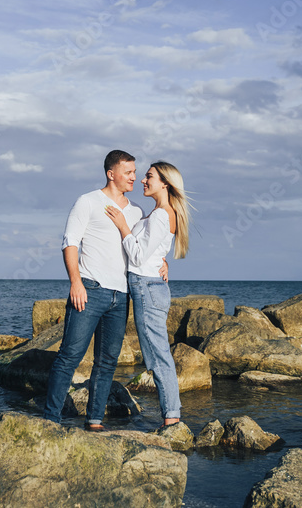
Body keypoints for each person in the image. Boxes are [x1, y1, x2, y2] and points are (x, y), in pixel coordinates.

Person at [43, 149, 144, 431]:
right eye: (129, 172)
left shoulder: (136, 211)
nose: (134, 177)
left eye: (135, 172)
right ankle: (51, 420)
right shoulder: (87, 202)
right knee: (69, 357)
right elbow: (70, 243)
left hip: (121, 296)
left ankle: (95, 420)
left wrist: (161, 264)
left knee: (107, 362)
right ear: (112, 174)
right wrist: (75, 282)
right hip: (90, 289)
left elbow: (141, 249)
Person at [105, 161, 191, 428]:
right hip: (150, 285)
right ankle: (172, 415)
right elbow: (154, 251)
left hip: (146, 287)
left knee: (157, 355)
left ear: (165, 182)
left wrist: (122, 226)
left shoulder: (161, 215)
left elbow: (139, 255)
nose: (143, 180)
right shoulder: (161, 214)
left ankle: (172, 417)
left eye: (149, 176)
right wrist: (162, 262)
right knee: (157, 353)